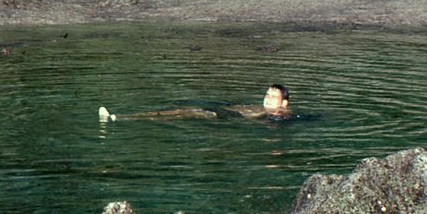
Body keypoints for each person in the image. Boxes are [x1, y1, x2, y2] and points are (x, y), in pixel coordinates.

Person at [98, 84, 291, 122]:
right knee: (179, 110)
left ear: (284, 104)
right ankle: (120, 117)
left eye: (273, 97)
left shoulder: (279, 114)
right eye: (267, 95)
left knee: (187, 113)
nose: (267, 99)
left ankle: (123, 119)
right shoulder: (259, 107)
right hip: (222, 110)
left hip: (223, 117)